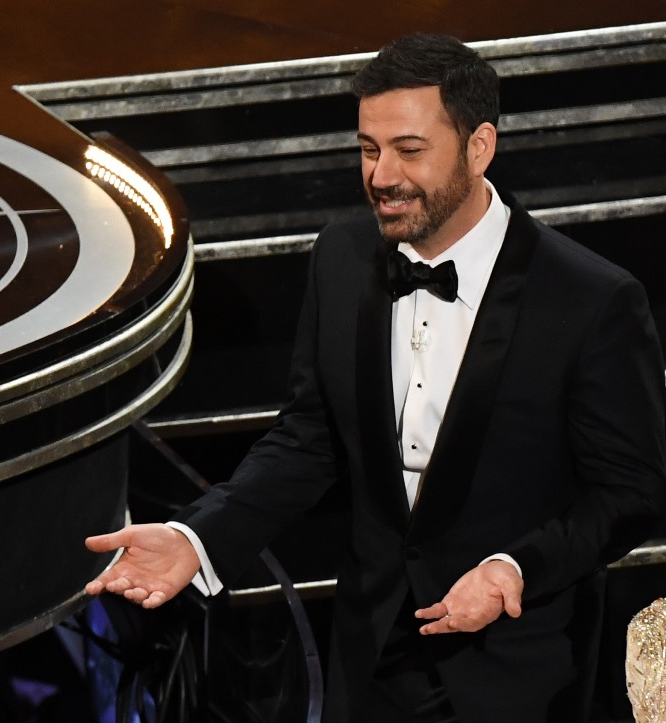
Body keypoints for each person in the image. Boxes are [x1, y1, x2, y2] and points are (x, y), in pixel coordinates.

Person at [85, 33, 666, 722]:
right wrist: (199, 537)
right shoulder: (340, 257)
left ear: (479, 148)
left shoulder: (590, 299)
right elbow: (308, 439)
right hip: (369, 665)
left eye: (409, 150)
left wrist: (515, 568)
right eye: (368, 148)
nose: (381, 175)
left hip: (521, 674)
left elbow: (634, 490)